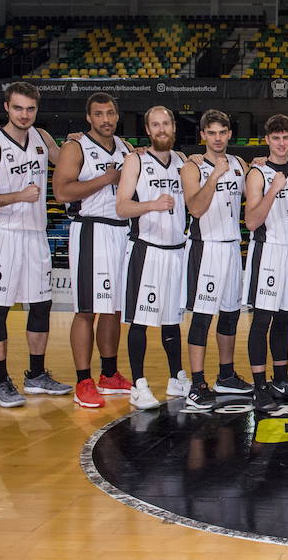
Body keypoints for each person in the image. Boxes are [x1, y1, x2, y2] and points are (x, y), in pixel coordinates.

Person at [0, 81, 72, 407]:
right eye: (18, 108)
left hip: (36, 235)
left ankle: (36, 375)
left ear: (36, 110)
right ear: (6, 108)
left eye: (30, 109)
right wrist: (18, 196)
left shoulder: (42, 137)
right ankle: (1, 383)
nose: (24, 115)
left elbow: (69, 163)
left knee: (41, 306)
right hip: (4, 235)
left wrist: (88, 144)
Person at [53, 92, 135, 408]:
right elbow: (61, 191)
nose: (105, 119)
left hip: (120, 231)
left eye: (110, 113)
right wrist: (105, 178)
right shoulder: (75, 148)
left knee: (113, 308)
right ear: (89, 117)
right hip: (90, 229)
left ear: (117, 115)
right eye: (99, 113)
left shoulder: (126, 148)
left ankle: (110, 374)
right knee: (87, 309)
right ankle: (83, 380)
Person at [116, 105, 189, 409]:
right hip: (147, 249)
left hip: (176, 250)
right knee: (141, 321)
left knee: (172, 319)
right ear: (148, 130)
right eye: (155, 125)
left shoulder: (183, 162)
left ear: (173, 127)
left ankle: (176, 377)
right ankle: (138, 384)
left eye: (166, 123)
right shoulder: (135, 161)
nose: (161, 129)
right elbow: (121, 208)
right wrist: (151, 205)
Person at [180, 109, 254, 410]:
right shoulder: (192, 167)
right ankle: (197, 383)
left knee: (230, 315)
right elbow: (195, 209)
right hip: (205, 246)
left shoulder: (240, 164)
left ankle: (226, 375)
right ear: (203, 136)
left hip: (231, 247)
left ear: (229, 134)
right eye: (212, 133)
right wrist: (214, 176)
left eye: (222, 132)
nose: (218, 138)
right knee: (201, 318)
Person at [242, 114, 288, 411]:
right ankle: (260, 386)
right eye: (275, 138)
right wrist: (274, 189)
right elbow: (251, 221)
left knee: (285, 318)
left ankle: (281, 379)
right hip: (267, 250)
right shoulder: (258, 173)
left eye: (285, 138)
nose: (281, 143)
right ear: (267, 140)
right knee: (262, 320)